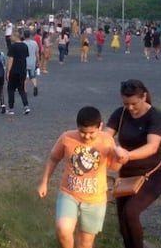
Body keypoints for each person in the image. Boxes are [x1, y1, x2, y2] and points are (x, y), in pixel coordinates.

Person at [37, 106, 122, 248]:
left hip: (95, 199)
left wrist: (120, 159)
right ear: (77, 127)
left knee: (85, 242)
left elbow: (114, 167)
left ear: (100, 126)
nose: (87, 136)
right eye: (82, 132)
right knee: (63, 230)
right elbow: (53, 159)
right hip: (69, 194)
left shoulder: (107, 141)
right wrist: (44, 182)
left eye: (91, 133)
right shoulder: (67, 137)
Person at [105, 79, 161, 248]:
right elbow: (105, 136)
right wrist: (114, 148)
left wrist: (128, 155)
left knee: (131, 212)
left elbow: (152, 146)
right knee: (123, 221)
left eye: (134, 104)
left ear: (143, 96)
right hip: (126, 177)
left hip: (151, 175)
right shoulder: (121, 113)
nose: (130, 108)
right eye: (126, 104)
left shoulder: (155, 116)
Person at [5, 31, 30, 115]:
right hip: (22, 70)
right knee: (22, 89)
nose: (10, 37)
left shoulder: (12, 47)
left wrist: (8, 71)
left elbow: (10, 59)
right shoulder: (25, 46)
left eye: (11, 36)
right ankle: (26, 106)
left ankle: (11, 108)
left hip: (14, 71)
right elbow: (25, 58)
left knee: (11, 90)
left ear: (16, 37)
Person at [23, 29, 40, 97]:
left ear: (24, 36)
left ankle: (25, 91)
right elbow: (37, 53)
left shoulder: (23, 43)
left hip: (24, 62)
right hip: (32, 61)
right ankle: (35, 86)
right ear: (30, 35)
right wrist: (38, 61)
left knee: (24, 77)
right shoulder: (34, 43)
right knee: (32, 76)